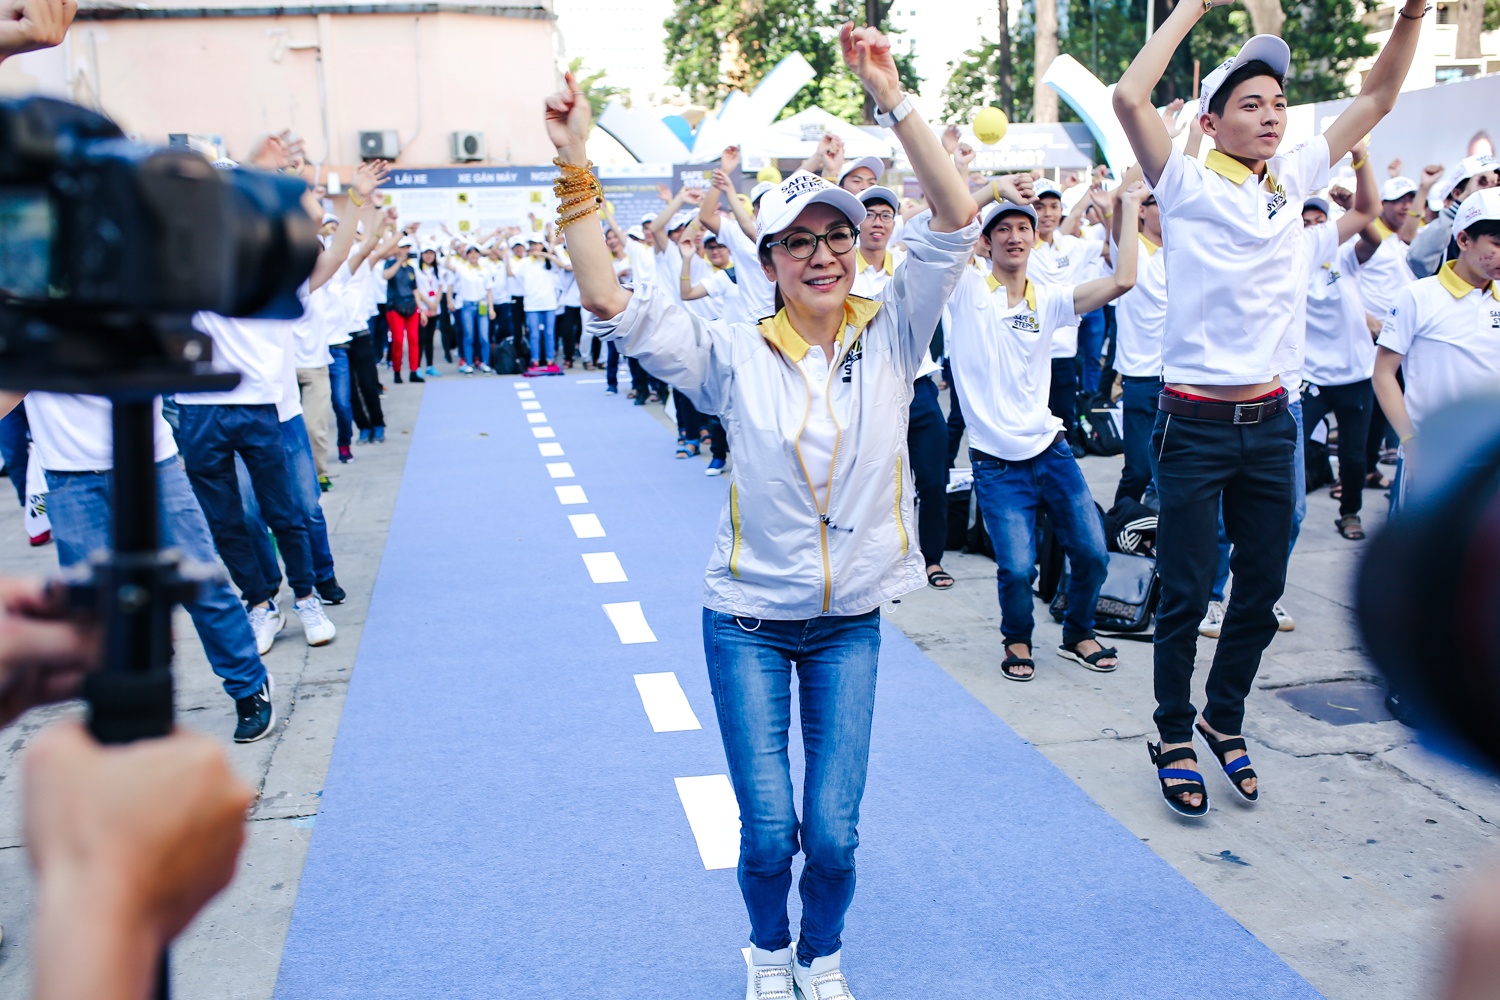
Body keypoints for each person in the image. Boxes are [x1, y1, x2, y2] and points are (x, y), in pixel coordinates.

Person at [546, 22, 978, 996]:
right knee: (771, 827)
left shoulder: (897, 329)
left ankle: (822, 954)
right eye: (799, 241)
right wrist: (575, 167)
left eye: (837, 234)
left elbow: (953, 218)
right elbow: (610, 296)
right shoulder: (731, 351)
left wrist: (895, 96)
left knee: (833, 831)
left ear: (857, 246)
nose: (824, 253)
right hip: (745, 621)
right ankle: (766, 951)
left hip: (849, 625)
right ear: (772, 259)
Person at [1113, 0, 1425, 817]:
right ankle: (1174, 732)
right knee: (1184, 592)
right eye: (1251, 104)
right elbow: (1127, 99)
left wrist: (1415, 15)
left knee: (1260, 589)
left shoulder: (1292, 181)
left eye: (1279, 104)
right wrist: (1190, 9)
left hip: (1273, 424)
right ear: (1212, 123)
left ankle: (1224, 715)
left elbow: (1381, 94)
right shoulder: (1180, 184)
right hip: (1194, 424)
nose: (1272, 115)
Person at [946, 191, 1143, 681]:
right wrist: (990, 191)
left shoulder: (1050, 297)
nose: (1015, 236)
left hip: (1051, 452)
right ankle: (1017, 637)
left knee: (1093, 553)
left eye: (1023, 228)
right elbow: (946, 226)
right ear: (986, 242)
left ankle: (1077, 633)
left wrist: (1130, 201)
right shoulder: (966, 289)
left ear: (1035, 238)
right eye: (1003, 229)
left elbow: (1124, 279)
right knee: (1016, 568)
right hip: (995, 462)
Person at [5, 391, 280, 742]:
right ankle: (127, 697)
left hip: (152, 461)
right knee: (93, 605)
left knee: (201, 582)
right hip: (68, 475)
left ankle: (248, 684)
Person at [849, 182, 958, 590]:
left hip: (920, 387)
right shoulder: (843, 271)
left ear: (895, 223)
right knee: (873, 482)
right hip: (869, 392)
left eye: (885, 215)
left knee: (933, 479)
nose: (877, 223)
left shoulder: (907, 265)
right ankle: (871, 560)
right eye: (870, 215)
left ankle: (931, 560)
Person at [1374, 188, 1500, 500]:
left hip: (1490, 459)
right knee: (1424, 548)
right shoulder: (1417, 296)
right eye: (1496, 244)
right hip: (1431, 457)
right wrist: (1409, 440)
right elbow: (1383, 373)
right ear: (1463, 240)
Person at [1301, 147, 1381, 540]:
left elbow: (1374, 239)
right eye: (1307, 221)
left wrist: (1354, 200)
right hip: (1311, 377)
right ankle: (1282, 509)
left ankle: (1350, 512)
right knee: (1290, 449)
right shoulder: (1292, 263)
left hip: (1355, 373)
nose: (1314, 226)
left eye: (1321, 220)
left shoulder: (1344, 256)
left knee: (1353, 456)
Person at [1108, 167, 1168, 505]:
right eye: (1154, 202)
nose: (1163, 208)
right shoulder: (1130, 249)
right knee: (1139, 469)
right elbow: (1119, 211)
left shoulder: (1179, 250)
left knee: (1174, 468)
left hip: (1181, 378)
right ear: (1142, 210)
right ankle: (1121, 520)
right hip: (1141, 377)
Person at [1408, 155, 1499, 278]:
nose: (1491, 192)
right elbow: (1418, 260)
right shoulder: (1437, 233)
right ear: (1457, 194)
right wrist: (1467, 199)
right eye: (1482, 183)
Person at [382, 234, 424, 384]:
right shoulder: (390, 264)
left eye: (408, 248)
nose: (406, 251)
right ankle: (397, 371)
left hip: (411, 306)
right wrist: (399, 261)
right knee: (398, 340)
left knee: (414, 339)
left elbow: (415, 290)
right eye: (403, 248)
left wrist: (421, 310)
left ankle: (414, 371)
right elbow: (386, 276)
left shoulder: (411, 268)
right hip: (395, 306)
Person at [447, 244, 495, 375]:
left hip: (482, 305)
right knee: (469, 336)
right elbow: (449, 280)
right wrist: (449, 300)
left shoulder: (485, 271)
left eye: (476, 253)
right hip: (467, 305)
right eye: (470, 253)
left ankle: (485, 362)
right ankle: (469, 363)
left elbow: (489, 291)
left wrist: (491, 309)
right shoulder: (461, 270)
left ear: (479, 255)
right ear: (467, 255)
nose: (473, 255)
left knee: (484, 336)